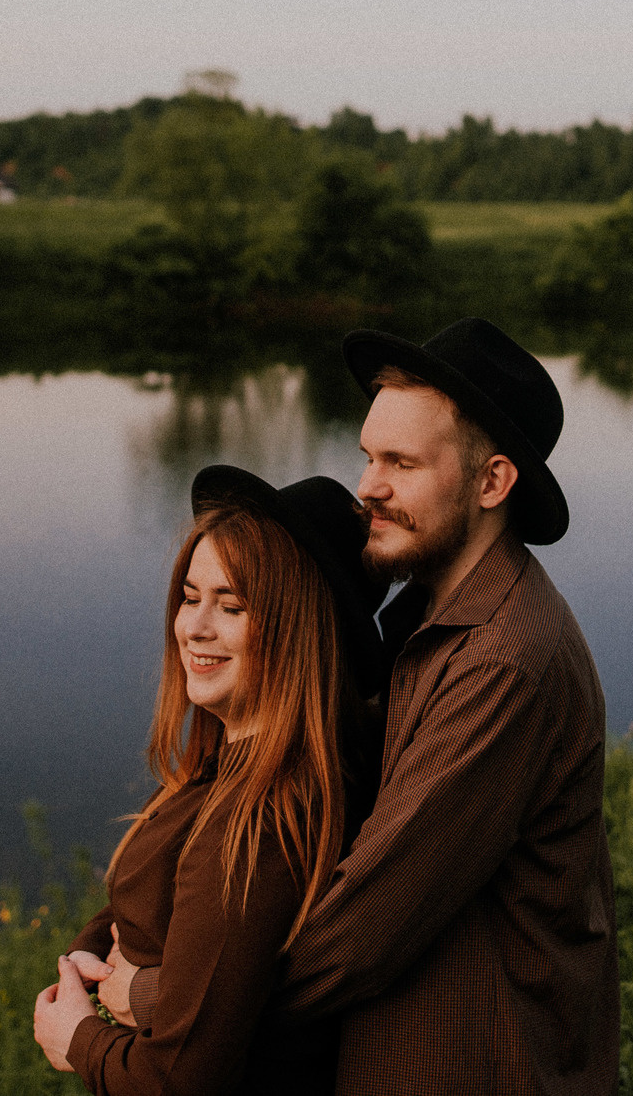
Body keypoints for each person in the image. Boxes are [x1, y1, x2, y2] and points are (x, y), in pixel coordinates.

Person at [111, 317, 618, 1095]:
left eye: (402, 463)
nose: (369, 487)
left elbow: (363, 932)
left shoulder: (506, 659)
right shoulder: (423, 616)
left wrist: (162, 999)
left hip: (482, 1066)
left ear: (492, 483)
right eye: (369, 457)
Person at [33, 465, 387, 1095]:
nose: (194, 627)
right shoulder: (228, 769)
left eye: (232, 606)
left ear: (295, 629)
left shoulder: (258, 826)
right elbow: (156, 911)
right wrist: (91, 957)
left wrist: (80, 1040)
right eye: (191, 597)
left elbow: (181, 1080)